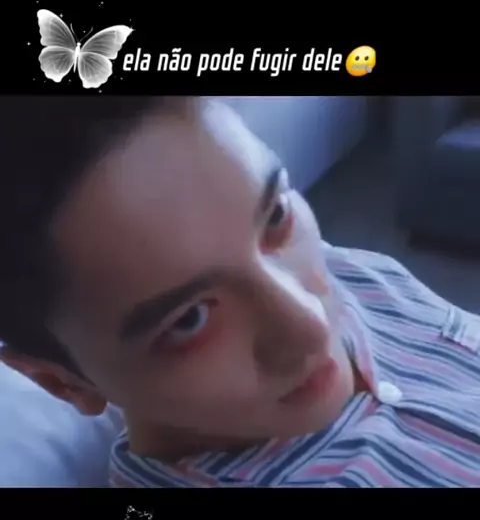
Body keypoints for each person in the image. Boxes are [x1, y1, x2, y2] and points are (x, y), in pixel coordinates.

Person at [1, 95, 480, 487]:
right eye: (190, 320)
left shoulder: (346, 269)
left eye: (274, 216)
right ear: (62, 383)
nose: (312, 324)